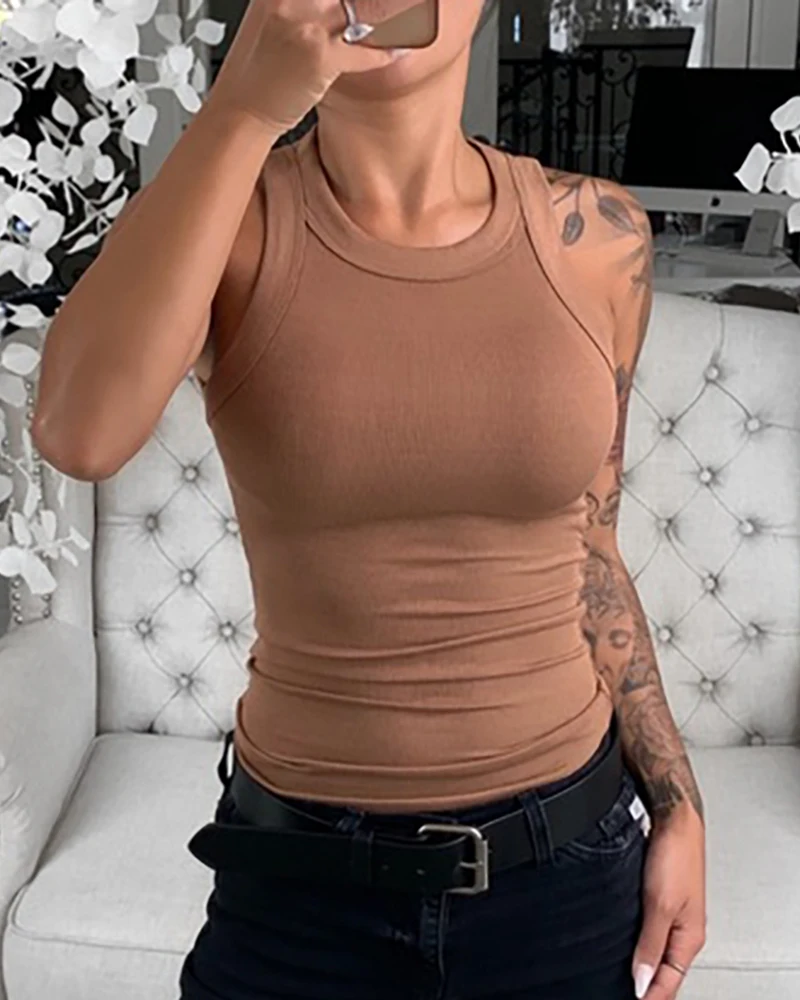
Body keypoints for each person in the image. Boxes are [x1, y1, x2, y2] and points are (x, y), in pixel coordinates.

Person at [31, 1, 706, 997]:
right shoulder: (230, 220)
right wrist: (242, 109)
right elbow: (78, 434)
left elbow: (591, 548)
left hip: (567, 868)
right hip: (297, 883)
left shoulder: (597, 235)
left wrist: (679, 804)